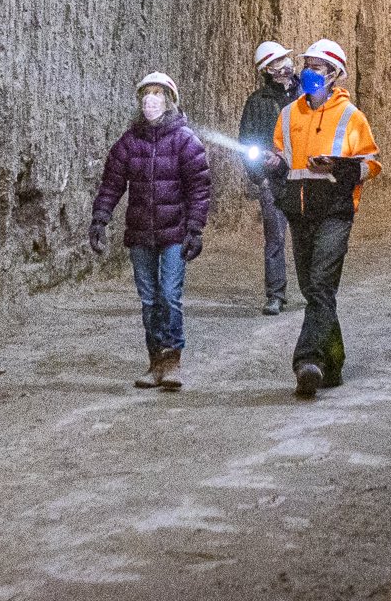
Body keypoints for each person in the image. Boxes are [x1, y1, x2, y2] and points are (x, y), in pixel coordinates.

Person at [259, 39, 380, 397]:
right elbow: (282, 158)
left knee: (322, 286)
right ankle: (334, 363)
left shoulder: (352, 117)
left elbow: (371, 164)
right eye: (307, 65)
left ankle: (307, 361)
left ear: (334, 75)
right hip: (299, 211)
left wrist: (338, 167)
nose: (309, 72)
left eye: (318, 67)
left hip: (335, 211)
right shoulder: (288, 114)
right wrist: (273, 164)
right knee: (313, 289)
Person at [91, 70, 213, 390]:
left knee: (170, 295)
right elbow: (112, 185)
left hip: (174, 232)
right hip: (141, 232)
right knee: (149, 300)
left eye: (158, 94)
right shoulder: (129, 143)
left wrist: (195, 229)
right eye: (146, 95)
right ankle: (155, 361)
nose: (151, 101)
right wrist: (100, 220)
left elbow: (199, 189)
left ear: (170, 101)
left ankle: (172, 361)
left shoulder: (185, 141)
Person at [237, 40, 300, 315]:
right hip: (272, 181)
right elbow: (246, 141)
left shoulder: (306, 96)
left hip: (302, 178)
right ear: (268, 70)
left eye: (286, 59)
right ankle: (275, 294)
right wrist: (259, 177)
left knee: (305, 237)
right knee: (275, 240)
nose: (286, 64)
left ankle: (313, 289)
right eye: (279, 62)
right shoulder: (257, 102)